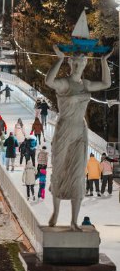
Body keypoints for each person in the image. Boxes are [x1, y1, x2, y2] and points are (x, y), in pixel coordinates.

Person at [45, 44, 111, 229]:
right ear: (70, 62)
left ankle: (74, 220)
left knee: (77, 174)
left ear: (85, 64)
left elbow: (106, 84)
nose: (78, 66)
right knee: (59, 169)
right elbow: (49, 81)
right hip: (64, 129)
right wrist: (58, 59)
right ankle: (56, 212)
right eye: (75, 62)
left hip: (80, 131)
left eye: (82, 63)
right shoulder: (65, 83)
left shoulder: (86, 85)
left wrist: (104, 62)